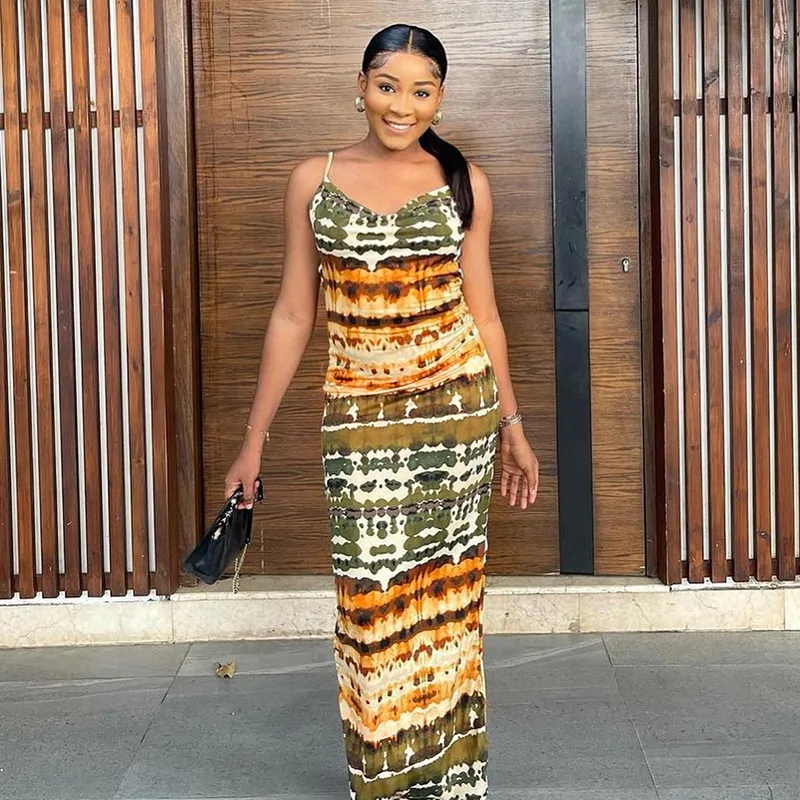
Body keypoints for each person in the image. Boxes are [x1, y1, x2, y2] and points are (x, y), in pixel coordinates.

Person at [224, 22, 539, 800]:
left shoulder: (465, 183)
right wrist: (252, 441)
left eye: (421, 91)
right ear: (360, 86)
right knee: (372, 607)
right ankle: (386, 784)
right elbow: (293, 314)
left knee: (445, 604)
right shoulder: (315, 180)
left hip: (457, 418)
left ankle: (452, 784)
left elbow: (485, 315)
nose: (403, 106)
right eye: (388, 86)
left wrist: (513, 426)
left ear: (440, 98)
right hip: (360, 423)